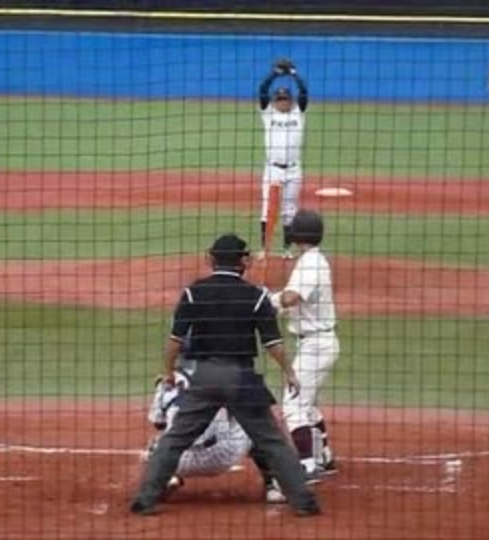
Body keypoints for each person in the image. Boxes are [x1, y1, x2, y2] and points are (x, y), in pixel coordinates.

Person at [129, 233, 320, 516]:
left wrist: (167, 372)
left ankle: (145, 500)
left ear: (211, 259)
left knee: (174, 440)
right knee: (271, 440)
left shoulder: (193, 292)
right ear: (243, 261)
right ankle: (303, 503)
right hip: (241, 377)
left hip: (204, 377)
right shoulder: (257, 296)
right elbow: (273, 344)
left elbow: (175, 341)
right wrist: (289, 372)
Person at [142, 367, 287, 503]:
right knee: (256, 425)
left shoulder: (165, 381)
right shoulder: (224, 374)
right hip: (224, 455)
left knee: (156, 443)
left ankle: (166, 478)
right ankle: (272, 486)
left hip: (178, 461)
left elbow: (159, 424)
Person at [268, 209, 340, 481]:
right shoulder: (314, 260)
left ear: (297, 235)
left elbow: (292, 298)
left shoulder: (310, 264)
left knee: (293, 406)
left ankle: (307, 466)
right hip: (318, 343)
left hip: (316, 345)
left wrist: (269, 300)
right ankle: (323, 457)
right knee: (306, 404)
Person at [257, 57, 308, 259]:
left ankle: (287, 249)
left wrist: (294, 75)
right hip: (272, 169)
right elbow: (262, 90)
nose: (282, 102)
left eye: (285, 99)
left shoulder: (298, 113)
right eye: (279, 99)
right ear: (274, 101)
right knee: (267, 208)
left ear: (290, 100)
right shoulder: (268, 113)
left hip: (294, 169)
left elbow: (304, 92)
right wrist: (274, 74)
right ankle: (264, 248)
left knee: (289, 211)